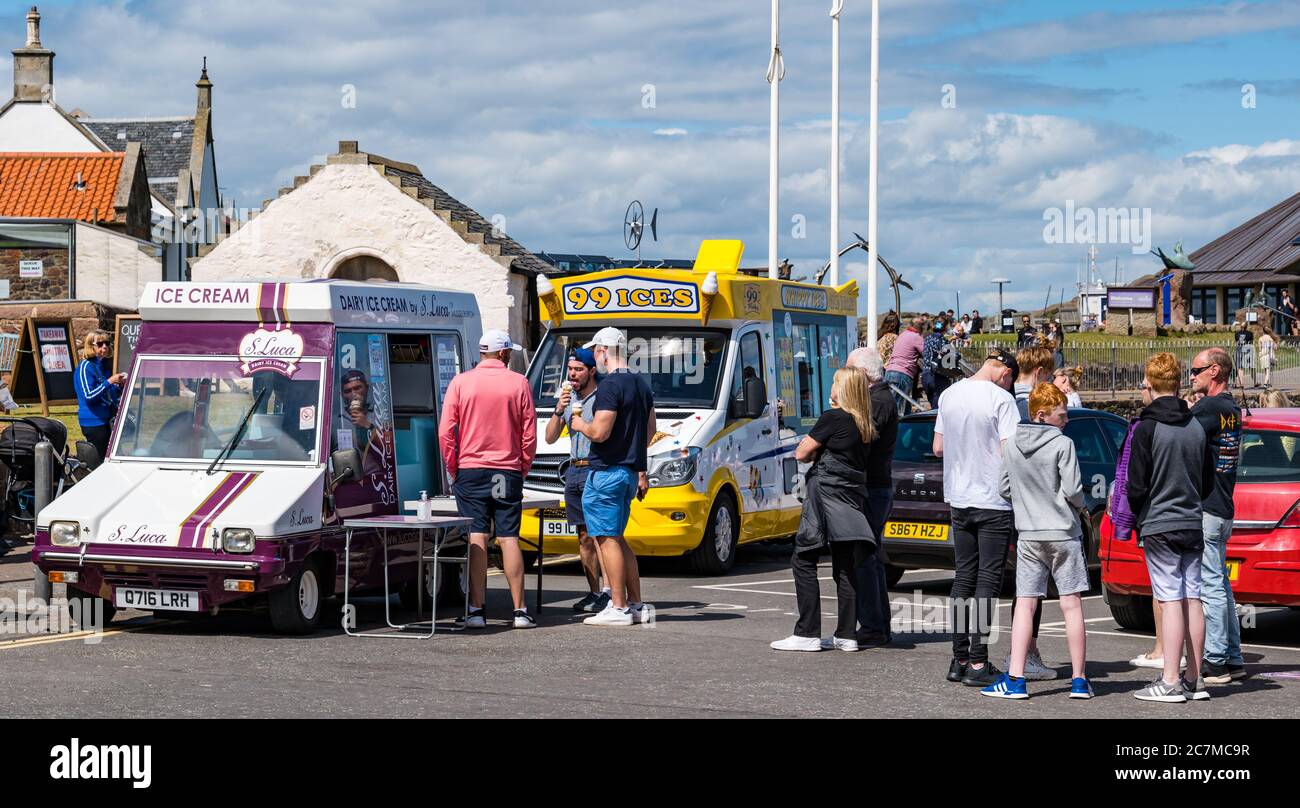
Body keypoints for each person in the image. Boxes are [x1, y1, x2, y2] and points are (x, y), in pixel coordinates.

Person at [983, 383, 1092, 699]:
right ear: (1043, 414)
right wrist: (1081, 507)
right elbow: (1072, 490)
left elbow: (1004, 487)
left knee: (1025, 606)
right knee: (1071, 606)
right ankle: (1079, 680)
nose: (1066, 420)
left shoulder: (1013, 443)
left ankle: (1015, 679)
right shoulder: (1063, 444)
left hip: (1029, 534)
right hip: (1063, 533)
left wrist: (1025, 501)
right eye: (1062, 414)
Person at [1127, 353, 1215, 703]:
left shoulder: (1146, 428)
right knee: (1193, 597)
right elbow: (1209, 481)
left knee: (1170, 598)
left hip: (1160, 523)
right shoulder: (1195, 425)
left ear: (1150, 384)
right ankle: (1195, 678)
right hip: (1192, 521)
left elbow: (1135, 486)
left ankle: (1170, 680)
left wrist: (1140, 515)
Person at [438, 329, 538, 629]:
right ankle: (520, 611)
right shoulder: (518, 382)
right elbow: (529, 433)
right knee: (509, 538)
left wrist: (454, 468)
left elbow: (446, 432)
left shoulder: (461, 382)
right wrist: (522, 468)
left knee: (477, 537)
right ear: (505, 353)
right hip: (507, 469)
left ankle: (476, 610)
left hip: (471, 468)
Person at [771, 368, 877, 652]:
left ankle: (807, 633)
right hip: (850, 500)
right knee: (845, 566)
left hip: (824, 497)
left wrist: (816, 450)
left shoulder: (833, 418)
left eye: (834, 382)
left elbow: (801, 452)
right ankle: (847, 634)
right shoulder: (864, 424)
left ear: (842, 390)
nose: (830, 386)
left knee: (803, 559)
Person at [934, 349, 1019, 686]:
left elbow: (938, 447)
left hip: (959, 496)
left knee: (963, 577)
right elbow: (1009, 450)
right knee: (988, 580)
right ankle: (980, 663)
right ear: (1006, 373)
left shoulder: (949, 394)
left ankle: (959, 658)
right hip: (993, 499)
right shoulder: (1002, 399)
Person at [571, 327, 655, 626]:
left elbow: (600, 432)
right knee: (618, 539)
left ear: (604, 351)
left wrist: (580, 423)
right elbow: (651, 430)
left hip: (606, 471)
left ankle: (618, 607)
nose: (595, 355)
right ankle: (635, 603)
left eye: (595, 350)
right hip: (629, 471)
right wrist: (632, 450)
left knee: (606, 539)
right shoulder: (641, 384)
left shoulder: (609, 386)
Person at [1189, 348, 1246, 685]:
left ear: (1214, 371)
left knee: (1209, 585)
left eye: (1195, 371)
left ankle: (1215, 660)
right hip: (1224, 505)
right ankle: (1234, 658)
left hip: (1208, 506)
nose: (1191, 377)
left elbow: (1184, 438)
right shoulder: (1232, 408)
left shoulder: (1209, 408)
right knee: (1222, 584)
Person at [544, 348, 608, 613]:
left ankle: (609, 592)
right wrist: (559, 408)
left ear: (592, 371)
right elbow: (549, 437)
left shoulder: (603, 397)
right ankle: (594, 592)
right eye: (570, 369)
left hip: (597, 467)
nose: (572, 374)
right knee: (583, 537)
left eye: (578, 369)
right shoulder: (568, 399)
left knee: (602, 535)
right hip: (574, 470)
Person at [847, 346, 897, 645]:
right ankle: (876, 624)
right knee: (870, 557)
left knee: (865, 557)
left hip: (873, 487)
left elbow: (860, 439)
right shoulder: (877, 398)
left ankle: (874, 626)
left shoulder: (879, 401)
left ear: (864, 375)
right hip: (875, 486)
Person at [74, 329, 126, 461]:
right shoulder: (85, 366)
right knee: (100, 461)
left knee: (112, 458)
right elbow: (89, 396)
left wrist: (119, 386)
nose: (105, 346)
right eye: (100, 343)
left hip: (106, 419)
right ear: (91, 346)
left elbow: (107, 393)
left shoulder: (101, 365)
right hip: (93, 422)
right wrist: (110, 381)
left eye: (107, 343)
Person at [884, 315, 925, 416]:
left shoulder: (903, 334)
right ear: (921, 327)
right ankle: (897, 431)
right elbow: (927, 353)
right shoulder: (916, 337)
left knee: (892, 406)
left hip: (890, 371)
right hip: (902, 373)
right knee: (897, 410)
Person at [1013, 346, 1055, 421]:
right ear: (1039, 372)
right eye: (1048, 378)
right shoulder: (1030, 405)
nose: (1049, 383)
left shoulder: (1005, 395)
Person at [920, 319, 951, 408]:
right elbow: (951, 356)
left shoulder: (927, 339)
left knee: (932, 404)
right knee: (939, 407)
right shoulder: (943, 340)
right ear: (944, 328)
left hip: (926, 375)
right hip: (938, 377)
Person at [1233, 323, 1256, 388]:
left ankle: (1241, 383)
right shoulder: (1250, 333)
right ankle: (1255, 382)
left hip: (1239, 350)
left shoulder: (1237, 333)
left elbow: (1236, 342)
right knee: (1251, 367)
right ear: (1246, 327)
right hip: (1248, 350)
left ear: (1241, 326)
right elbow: (1251, 342)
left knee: (1240, 368)